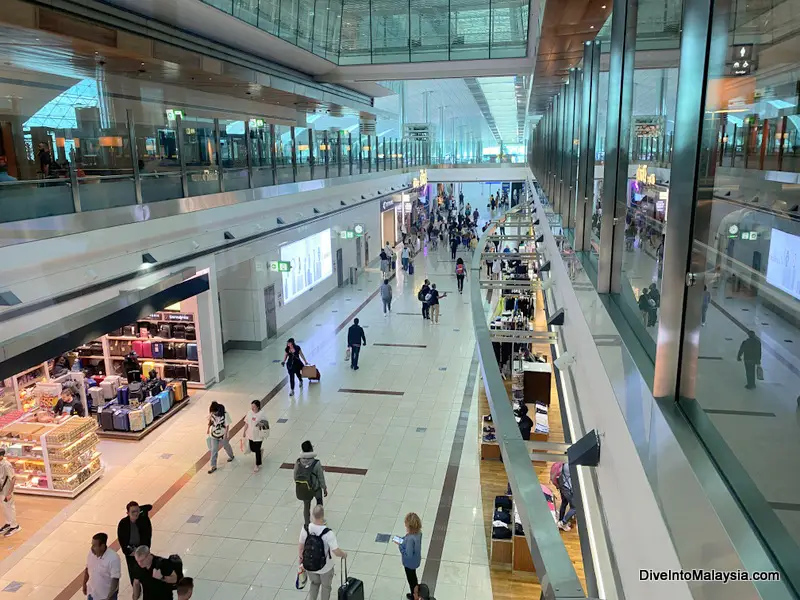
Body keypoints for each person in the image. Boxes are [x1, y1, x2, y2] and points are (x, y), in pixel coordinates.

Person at [298, 505, 347, 600]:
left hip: (310, 566)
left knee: (314, 584)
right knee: (326, 587)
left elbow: (300, 547)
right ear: (323, 516)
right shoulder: (328, 533)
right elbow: (336, 551)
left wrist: (301, 560)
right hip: (325, 567)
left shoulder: (306, 529)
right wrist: (344, 554)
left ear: (312, 515)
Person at [118, 501, 153, 583]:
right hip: (130, 552)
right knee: (133, 572)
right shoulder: (123, 524)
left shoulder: (144, 520)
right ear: (128, 513)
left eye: (137, 511)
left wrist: (142, 551)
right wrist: (130, 552)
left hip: (142, 551)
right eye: (133, 512)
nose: (136, 513)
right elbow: (122, 540)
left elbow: (147, 536)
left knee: (145, 571)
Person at [295, 441, 328, 525]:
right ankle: (320, 520)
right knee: (319, 503)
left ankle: (307, 523)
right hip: (316, 488)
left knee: (306, 506)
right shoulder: (316, 463)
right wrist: (324, 487)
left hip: (305, 488)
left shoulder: (298, 462)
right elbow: (320, 477)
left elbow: (295, 476)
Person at [83, 532, 121, 600]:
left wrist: (109, 597)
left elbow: (115, 579)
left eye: (94, 545)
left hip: (106, 596)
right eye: (92, 545)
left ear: (102, 546)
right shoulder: (91, 554)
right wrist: (84, 583)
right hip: (92, 594)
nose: (92, 548)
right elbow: (87, 568)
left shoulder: (113, 558)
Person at [395, 512, 422, 600]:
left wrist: (400, 545)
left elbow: (408, 555)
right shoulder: (419, 533)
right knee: (414, 577)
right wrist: (403, 540)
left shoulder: (410, 539)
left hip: (409, 563)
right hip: (416, 559)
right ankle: (416, 593)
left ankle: (414, 596)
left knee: (411, 580)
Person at [242, 399, 269, 473]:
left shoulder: (262, 414)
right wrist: (244, 432)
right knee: (252, 449)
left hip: (259, 435)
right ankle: (260, 451)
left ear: (258, 407)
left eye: (254, 407)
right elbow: (246, 423)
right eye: (252, 406)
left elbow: (266, 423)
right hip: (250, 434)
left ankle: (257, 464)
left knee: (256, 450)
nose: (252, 408)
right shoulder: (249, 413)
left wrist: (261, 424)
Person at [207, 401, 234, 474]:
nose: (213, 413)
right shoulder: (212, 414)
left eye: (214, 412)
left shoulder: (225, 414)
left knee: (226, 446)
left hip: (223, 434)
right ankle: (213, 465)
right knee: (214, 450)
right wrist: (208, 430)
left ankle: (231, 456)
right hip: (213, 434)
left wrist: (226, 434)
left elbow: (227, 425)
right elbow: (210, 422)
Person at [0, 448, 19, 537]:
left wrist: (9, 493)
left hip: (6, 490)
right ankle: (8, 523)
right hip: (1, 490)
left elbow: (13, 478)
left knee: (10, 507)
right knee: (5, 507)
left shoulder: (6, 465)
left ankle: (15, 526)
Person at [554, 463, 577, 531]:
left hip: (562, 486)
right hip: (568, 489)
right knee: (574, 507)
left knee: (564, 503)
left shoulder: (564, 464)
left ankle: (561, 520)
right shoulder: (572, 466)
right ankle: (563, 523)